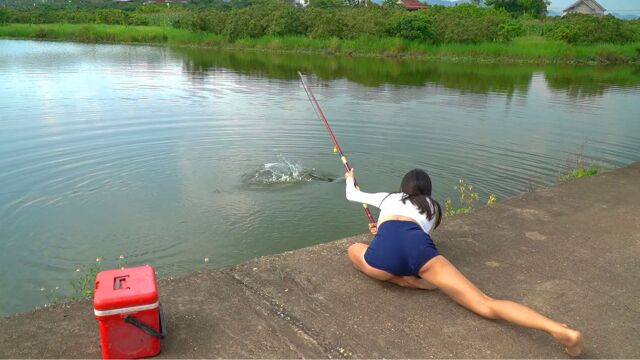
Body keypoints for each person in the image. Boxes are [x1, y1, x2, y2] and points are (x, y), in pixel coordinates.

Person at [344, 168, 582, 356]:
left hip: (383, 259)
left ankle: (402, 280)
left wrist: (350, 179)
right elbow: (413, 234)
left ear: (402, 188)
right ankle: (560, 331)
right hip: (421, 254)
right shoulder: (433, 208)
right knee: (486, 303)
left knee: (354, 249)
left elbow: (351, 194)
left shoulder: (389, 197)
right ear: (428, 190)